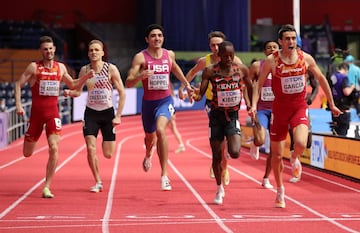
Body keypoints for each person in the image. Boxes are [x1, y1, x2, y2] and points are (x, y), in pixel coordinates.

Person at [249, 24, 342, 208]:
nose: (291, 42)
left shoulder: (305, 58)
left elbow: (321, 79)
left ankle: (294, 157)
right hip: (279, 110)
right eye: (287, 39)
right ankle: (280, 190)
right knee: (275, 155)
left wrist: (331, 104)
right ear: (280, 42)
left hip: (299, 107)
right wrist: (253, 105)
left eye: (293, 38)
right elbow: (259, 85)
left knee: (300, 143)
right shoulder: (272, 61)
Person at [14, 36, 93, 198]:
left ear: (54, 49)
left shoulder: (61, 68)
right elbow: (17, 84)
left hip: (52, 115)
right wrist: (19, 105)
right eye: (45, 49)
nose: (48, 51)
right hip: (36, 116)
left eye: (50, 48)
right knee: (27, 153)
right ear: (41, 51)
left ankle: (46, 187)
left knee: (54, 148)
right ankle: (30, 142)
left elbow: (73, 85)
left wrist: (85, 77)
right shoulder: (33, 67)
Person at [125, 24, 193, 191]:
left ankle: (164, 175)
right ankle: (149, 154)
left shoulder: (168, 54)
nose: (157, 38)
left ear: (163, 38)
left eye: (160, 35)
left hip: (165, 101)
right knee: (149, 138)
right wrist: (141, 76)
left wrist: (187, 85)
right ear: (147, 39)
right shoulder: (140, 58)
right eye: (153, 36)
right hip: (149, 103)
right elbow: (128, 82)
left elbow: (176, 70)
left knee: (161, 130)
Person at [180, 31, 243, 186]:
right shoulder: (205, 61)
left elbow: (244, 79)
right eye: (212, 45)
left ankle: (223, 163)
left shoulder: (234, 60)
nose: (215, 48)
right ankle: (221, 164)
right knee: (219, 137)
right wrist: (184, 87)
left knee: (230, 139)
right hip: (211, 103)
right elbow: (193, 72)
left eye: (218, 45)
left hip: (231, 105)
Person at [192, 41, 250, 205]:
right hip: (216, 117)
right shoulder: (210, 71)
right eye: (225, 56)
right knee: (216, 155)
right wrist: (195, 95)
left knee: (235, 152)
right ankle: (219, 188)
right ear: (219, 56)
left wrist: (251, 104)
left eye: (231, 55)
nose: (229, 59)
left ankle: (230, 149)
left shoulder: (240, 69)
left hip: (232, 116)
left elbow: (251, 86)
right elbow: (201, 93)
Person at [64, 39, 126, 193]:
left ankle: (109, 139)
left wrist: (118, 116)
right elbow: (78, 91)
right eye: (91, 50)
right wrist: (70, 93)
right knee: (90, 148)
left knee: (108, 154)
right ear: (88, 53)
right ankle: (98, 181)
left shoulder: (111, 69)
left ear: (102, 53)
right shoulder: (85, 70)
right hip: (90, 113)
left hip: (107, 114)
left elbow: (122, 93)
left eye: (96, 50)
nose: (93, 52)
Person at [247, 40, 279, 189]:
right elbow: (246, 85)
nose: (272, 50)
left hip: (278, 111)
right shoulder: (256, 66)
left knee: (274, 149)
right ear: (264, 51)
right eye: (269, 48)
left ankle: (266, 177)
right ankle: (255, 143)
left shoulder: (285, 66)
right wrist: (250, 104)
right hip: (261, 109)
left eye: (275, 47)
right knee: (260, 140)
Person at [288, 70, 319, 183]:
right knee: (294, 139)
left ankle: (294, 158)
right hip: (289, 108)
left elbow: (316, 86)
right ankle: (296, 171)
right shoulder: (284, 68)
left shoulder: (307, 69)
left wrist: (311, 98)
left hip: (303, 108)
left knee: (308, 142)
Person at [329, 62, 354, 136]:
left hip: (334, 107)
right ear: (346, 70)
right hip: (343, 109)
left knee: (335, 131)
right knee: (342, 133)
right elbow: (346, 92)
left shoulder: (333, 76)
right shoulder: (344, 77)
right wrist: (352, 87)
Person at [169, 82, 185, 153]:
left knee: (173, 128)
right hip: (170, 111)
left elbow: (171, 106)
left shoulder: (169, 96)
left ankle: (181, 145)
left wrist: (172, 115)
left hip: (170, 111)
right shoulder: (171, 95)